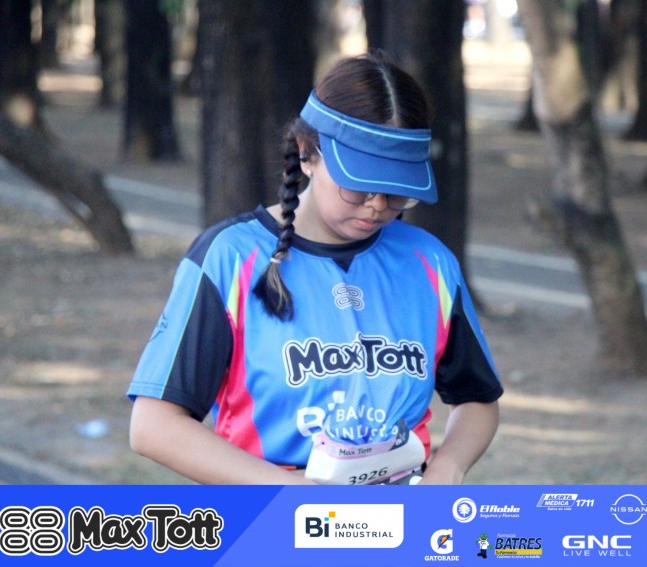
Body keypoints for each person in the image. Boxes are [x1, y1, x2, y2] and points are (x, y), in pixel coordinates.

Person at [127, 51, 502, 485]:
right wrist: (296, 495)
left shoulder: (430, 263)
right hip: (273, 518)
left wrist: (449, 466)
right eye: (359, 186)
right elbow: (154, 426)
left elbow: (477, 399)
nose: (378, 206)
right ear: (308, 153)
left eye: (397, 192)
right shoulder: (229, 257)